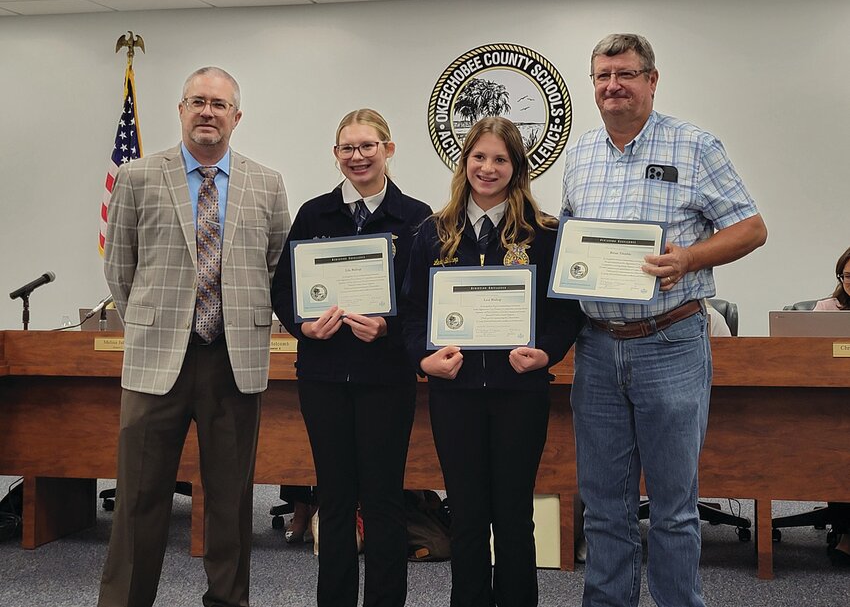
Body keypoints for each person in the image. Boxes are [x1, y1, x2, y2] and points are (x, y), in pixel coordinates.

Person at [562, 34, 767, 607]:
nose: (612, 86)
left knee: (674, 508)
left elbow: (751, 228)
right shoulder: (579, 155)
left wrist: (689, 258)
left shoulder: (696, 145)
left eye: (625, 74)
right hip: (597, 347)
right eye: (602, 76)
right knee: (604, 505)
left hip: (670, 341)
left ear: (652, 80)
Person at [99, 66, 290, 607]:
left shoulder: (266, 183)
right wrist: (160, 318)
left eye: (220, 104)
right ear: (181, 109)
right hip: (157, 359)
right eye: (198, 101)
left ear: (237, 116)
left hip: (234, 360)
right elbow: (120, 269)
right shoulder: (137, 177)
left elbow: (276, 267)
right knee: (138, 497)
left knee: (230, 502)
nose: (208, 112)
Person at [402, 116, 583, 607]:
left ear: (516, 167)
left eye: (500, 158)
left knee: (512, 515)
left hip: (519, 395)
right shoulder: (433, 234)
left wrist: (546, 351)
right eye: (479, 157)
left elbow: (566, 314)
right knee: (466, 513)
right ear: (464, 163)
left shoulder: (544, 234)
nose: (488, 167)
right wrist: (424, 358)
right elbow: (412, 314)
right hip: (454, 395)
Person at [271, 109, 432, 607]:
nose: (357, 157)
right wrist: (303, 325)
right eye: (347, 148)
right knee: (334, 498)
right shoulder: (315, 214)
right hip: (323, 376)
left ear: (388, 148)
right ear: (336, 155)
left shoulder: (417, 217)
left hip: (386, 377)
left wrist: (388, 326)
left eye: (367, 146)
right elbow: (283, 289)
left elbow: (425, 300)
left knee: (385, 500)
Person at [812, 246, 850, 565]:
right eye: (847, 276)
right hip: (831, 400)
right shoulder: (828, 308)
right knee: (837, 445)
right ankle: (845, 531)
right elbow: (805, 356)